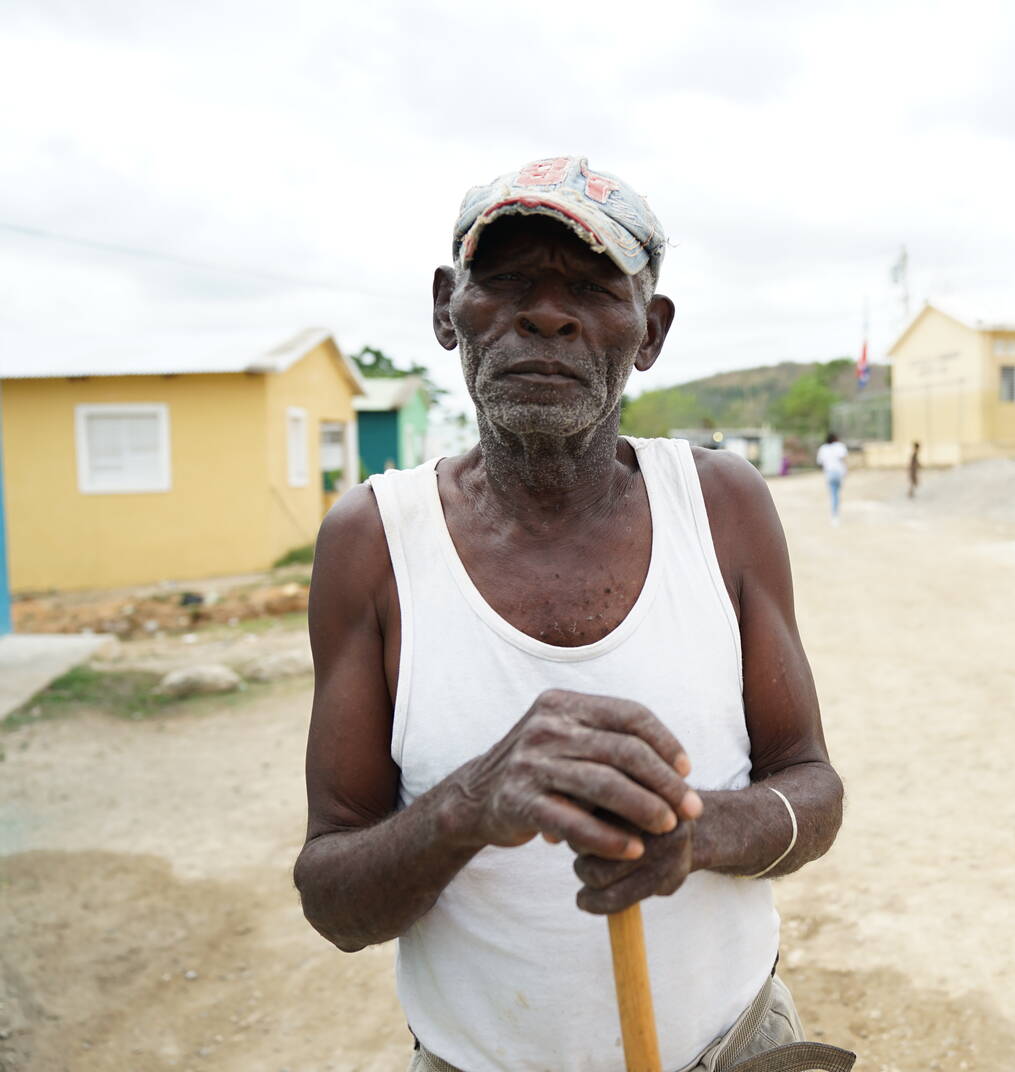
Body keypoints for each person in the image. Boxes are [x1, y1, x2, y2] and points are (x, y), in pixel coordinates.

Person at [293, 156, 849, 1072]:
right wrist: (467, 806)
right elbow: (333, 900)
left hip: (735, 1047)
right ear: (446, 307)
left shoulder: (721, 506)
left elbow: (813, 788)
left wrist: (695, 832)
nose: (546, 315)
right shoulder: (375, 542)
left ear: (650, 331)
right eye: (507, 281)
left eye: (593, 288)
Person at [816, 431, 848, 524]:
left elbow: (820, 462)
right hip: (839, 472)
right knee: (837, 494)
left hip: (829, 473)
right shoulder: (839, 446)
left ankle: (834, 515)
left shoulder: (823, 448)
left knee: (833, 494)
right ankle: (835, 514)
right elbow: (843, 458)